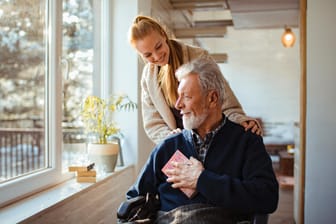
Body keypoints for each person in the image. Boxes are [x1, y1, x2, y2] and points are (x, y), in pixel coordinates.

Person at [125, 57, 278, 223]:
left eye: (186, 97)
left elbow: (267, 198)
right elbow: (133, 200)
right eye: (178, 96)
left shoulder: (246, 142)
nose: (178, 105)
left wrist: (202, 180)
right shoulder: (169, 146)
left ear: (212, 99)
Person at [128, 15, 262, 144]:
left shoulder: (199, 57)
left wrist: (241, 120)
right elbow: (153, 123)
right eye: (148, 55)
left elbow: (224, 100)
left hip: (211, 140)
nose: (157, 56)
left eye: (158, 47)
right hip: (178, 148)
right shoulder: (148, 78)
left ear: (163, 35)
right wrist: (170, 139)